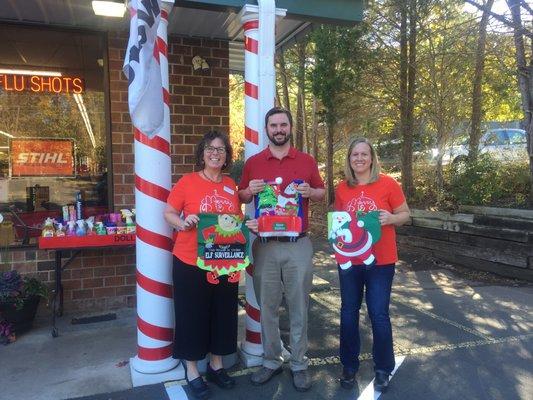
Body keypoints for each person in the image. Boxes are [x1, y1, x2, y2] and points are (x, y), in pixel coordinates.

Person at [164, 131, 257, 400]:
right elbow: (168, 213)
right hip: (190, 260)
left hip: (224, 263)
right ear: (201, 154)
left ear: (227, 155)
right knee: (192, 314)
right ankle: (192, 370)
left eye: (220, 149)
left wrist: (246, 226)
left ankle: (216, 366)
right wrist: (182, 223)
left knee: (222, 314)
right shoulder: (187, 182)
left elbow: (234, 222)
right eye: (209, 149)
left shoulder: (230, 185)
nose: (215, 153)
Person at [238, 107, 325, 392]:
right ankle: (272, 361)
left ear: (290, 128)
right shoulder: (253, 162)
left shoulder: (306, 160)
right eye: (273, 125)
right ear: (267, 129)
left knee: (299, 306)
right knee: (268, 308)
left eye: (283, 125)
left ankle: (299, 364)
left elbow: (322, 192)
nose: (278, 129)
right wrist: (249, 190)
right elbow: (241, 195)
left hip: (298, 243)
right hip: (265, 245)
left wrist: (310, 193)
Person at [333, 137, 410, 392]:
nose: (359, 159)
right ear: (349, 159)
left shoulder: (388, 183)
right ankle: (349, 366)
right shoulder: (342, 188)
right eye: (355, 155)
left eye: (364, 154)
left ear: (372, 158)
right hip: (350, 260)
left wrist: (390, 218)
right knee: (348, 311)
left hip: (381, 260)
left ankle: (383, 368)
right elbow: (339, 223)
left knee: (378, 314)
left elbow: (406, 215)